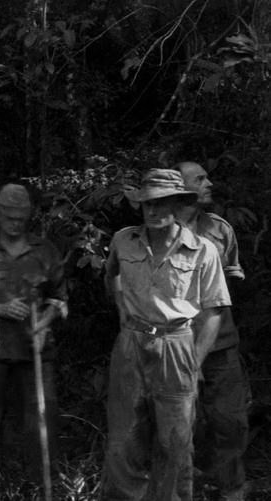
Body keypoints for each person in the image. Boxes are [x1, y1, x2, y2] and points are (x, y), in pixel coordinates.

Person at [102, 168, 231, 500]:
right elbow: (112, 277)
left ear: (177, 204)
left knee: (175, 443)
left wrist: (193, 362)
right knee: (123, 441)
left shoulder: (203, 250)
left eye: (162, 203)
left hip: (177, 346)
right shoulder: (123, 240)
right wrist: (124, 314)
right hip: (131, 343)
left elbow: (214, 312)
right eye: (147, 205)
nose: (154, 211)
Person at [174, 161, 248, 500]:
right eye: (200, 179)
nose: (210, 183)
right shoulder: (159, 228)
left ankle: (231, 489)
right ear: (182, 187)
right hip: (174, 343)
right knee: (178, 422)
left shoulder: (220, 230)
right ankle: (184, 487)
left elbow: (232, 282)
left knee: (230, 419)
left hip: (221, 343)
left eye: (207, 177)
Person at [0, 183, 66, 482]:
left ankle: (41, 485)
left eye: (22, 217)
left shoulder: (45, 251)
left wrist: (44, 321)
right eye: (10, 217)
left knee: (41, 425)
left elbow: (59, 300)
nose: (17, 223)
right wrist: (0, 308)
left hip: (35, 352)